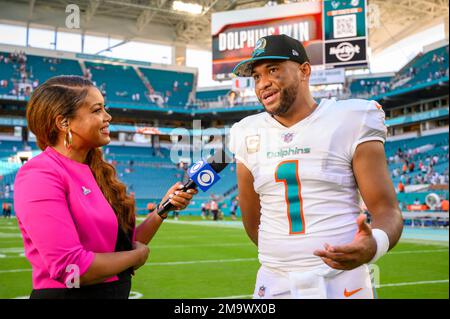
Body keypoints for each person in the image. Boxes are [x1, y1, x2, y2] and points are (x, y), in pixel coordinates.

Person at [229, 35, 403, 299]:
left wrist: (374, 245)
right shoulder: (246, 131)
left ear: (304, 70)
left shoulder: (351, 118)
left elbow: (386, 210)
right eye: (256, 76)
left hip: (341, 280)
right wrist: (285, 255)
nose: (263, 83)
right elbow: (253, 221)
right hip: (274, 280)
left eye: (273, 70)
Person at [13, 75, 197, 299]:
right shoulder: (40, 174)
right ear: (63, 122)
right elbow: (71, 269)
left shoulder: (95, 171)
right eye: (97, 110)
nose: (107, 117)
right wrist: (137, 258)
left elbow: (119, 246)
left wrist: (163, 209)